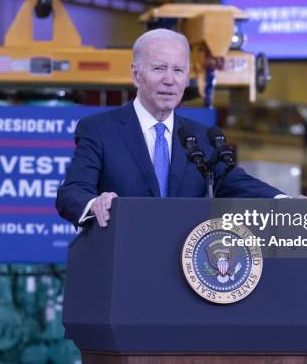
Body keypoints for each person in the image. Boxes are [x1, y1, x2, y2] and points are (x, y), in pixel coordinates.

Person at [56, 29, 289, 228]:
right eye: (159, 69)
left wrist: (285, 201)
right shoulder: (99, 130)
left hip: (186, 268)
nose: (170, 80)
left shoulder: (201, 137)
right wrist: (94, 204)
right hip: (124, 263)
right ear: (136, 75)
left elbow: (235, 182)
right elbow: (72, 192)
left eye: (178, 70)